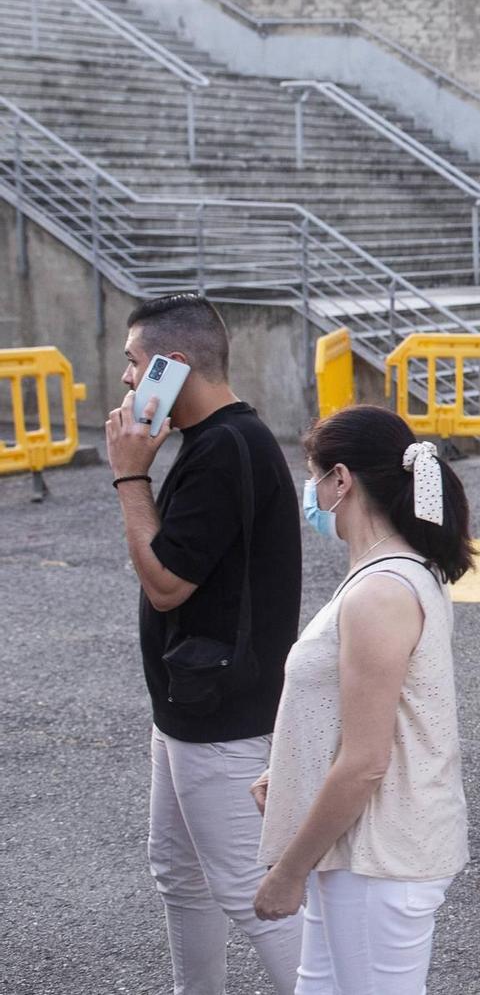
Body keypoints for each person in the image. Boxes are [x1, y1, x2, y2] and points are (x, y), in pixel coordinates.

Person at [105, 293, 305, 993]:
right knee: (179, 872)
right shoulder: (220, 439)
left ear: (173, 363)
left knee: (259, 897)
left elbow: (166, 583)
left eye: (135, 364)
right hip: (189, 704)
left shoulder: (225, 448)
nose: (127, 380)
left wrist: (130, 473)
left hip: (221, 712)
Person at [252, 406, 474, 993]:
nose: (312, 490)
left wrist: (288, 872)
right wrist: (291, 771)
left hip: (378, 859)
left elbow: (366, 759)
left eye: (314, 474)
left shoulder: (380, 590)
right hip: (359, 850)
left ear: (341, 479)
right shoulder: (387, 572)